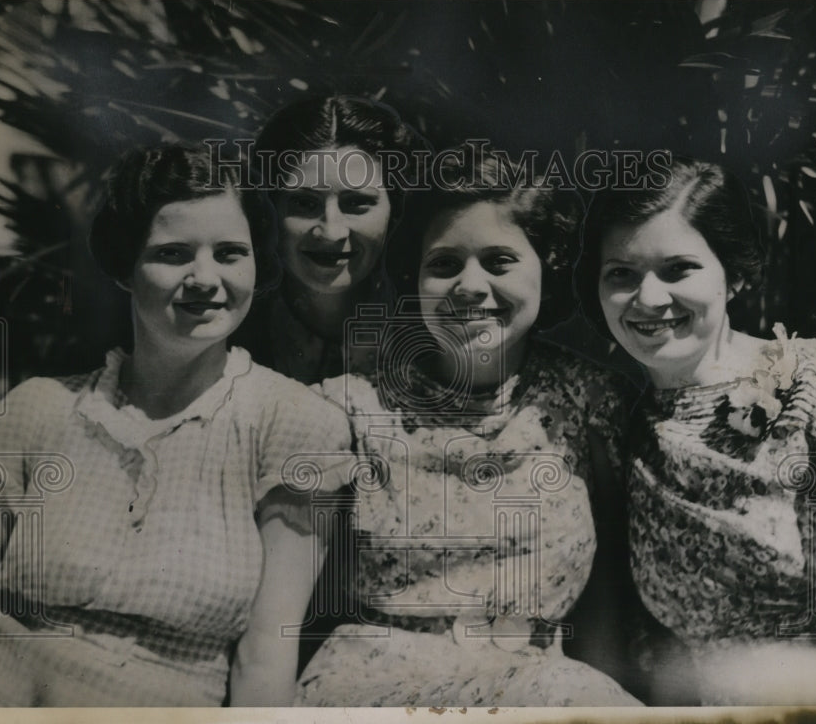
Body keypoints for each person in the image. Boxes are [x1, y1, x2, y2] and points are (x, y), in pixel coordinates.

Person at [232, 146, 643, 707]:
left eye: (498, 262)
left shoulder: (592, 400)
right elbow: (270, 635)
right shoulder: (346, 410)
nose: (469, 286)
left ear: (547, 271)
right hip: (369, 693)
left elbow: (609, 609)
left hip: (538, 692)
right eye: (444, 264)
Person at [0, 143, 353, 706]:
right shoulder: (38, 409)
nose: (205, 278)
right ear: (125, 266)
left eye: (230, 253)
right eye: (172, 253)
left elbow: (265, 656)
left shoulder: (293, 426)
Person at [578, 156, 816, 705]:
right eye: (622, 274)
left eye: (678, 269)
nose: (649, 298)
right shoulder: (628, 429)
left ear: (735, 275)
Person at [233, 94, 424, 384]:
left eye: (356, 203)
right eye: (304, 204)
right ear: (271, 209)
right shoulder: (228, 328)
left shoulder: (433, 326)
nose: (331, 232)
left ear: (394, 211)